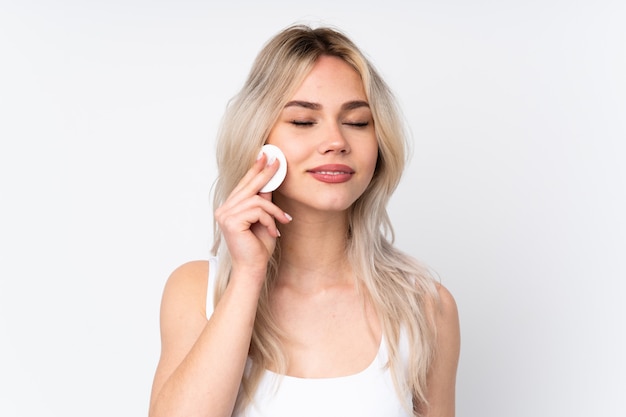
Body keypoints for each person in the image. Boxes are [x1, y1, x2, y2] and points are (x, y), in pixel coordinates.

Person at [148, 24, 460, 417]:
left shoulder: (426, 310)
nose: (336, 141)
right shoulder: (198, 290)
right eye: (302, 121)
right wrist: (248, 274)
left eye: (358, 122)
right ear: (259, 138)